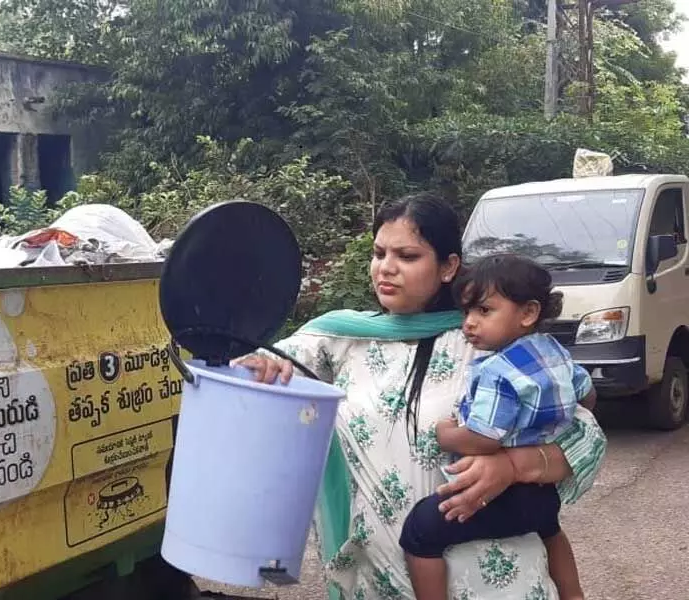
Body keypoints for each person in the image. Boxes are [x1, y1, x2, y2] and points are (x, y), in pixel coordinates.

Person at [234, 192, 607, 600]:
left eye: (407, 257)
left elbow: (585, 433)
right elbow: (263, 363)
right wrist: (262, 364)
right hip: (378, 578)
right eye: (379, 253)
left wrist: (513, 466)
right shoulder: (340, 338)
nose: (386, 268)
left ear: (448, 267)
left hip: (494, 580)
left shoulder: (490, 343)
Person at [399, 254, 595, 600]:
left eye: (484, 311)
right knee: (550, 528)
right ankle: (573, 594)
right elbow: (588, 397)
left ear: (528, 313)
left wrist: (445, 433)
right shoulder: (553, 350)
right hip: (544, 493)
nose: (469, 324)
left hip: (504, 494)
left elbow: (484, 439)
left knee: (420, 528)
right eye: (467, 312)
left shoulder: (496, 370)